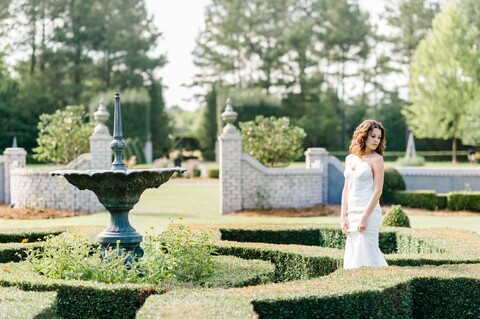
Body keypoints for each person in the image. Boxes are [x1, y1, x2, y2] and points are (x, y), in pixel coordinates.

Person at [340, 119, 388, 269]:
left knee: (368, 253)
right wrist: (343, 217)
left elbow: (378, 190)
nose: (376, 140)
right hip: (352, 213)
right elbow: (346, 190)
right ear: (364, 135)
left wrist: (365, 217)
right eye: (373, 136)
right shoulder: (349, 159)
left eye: (379, 137)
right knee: (353, 255)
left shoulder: (377, 159)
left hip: (369, 213)